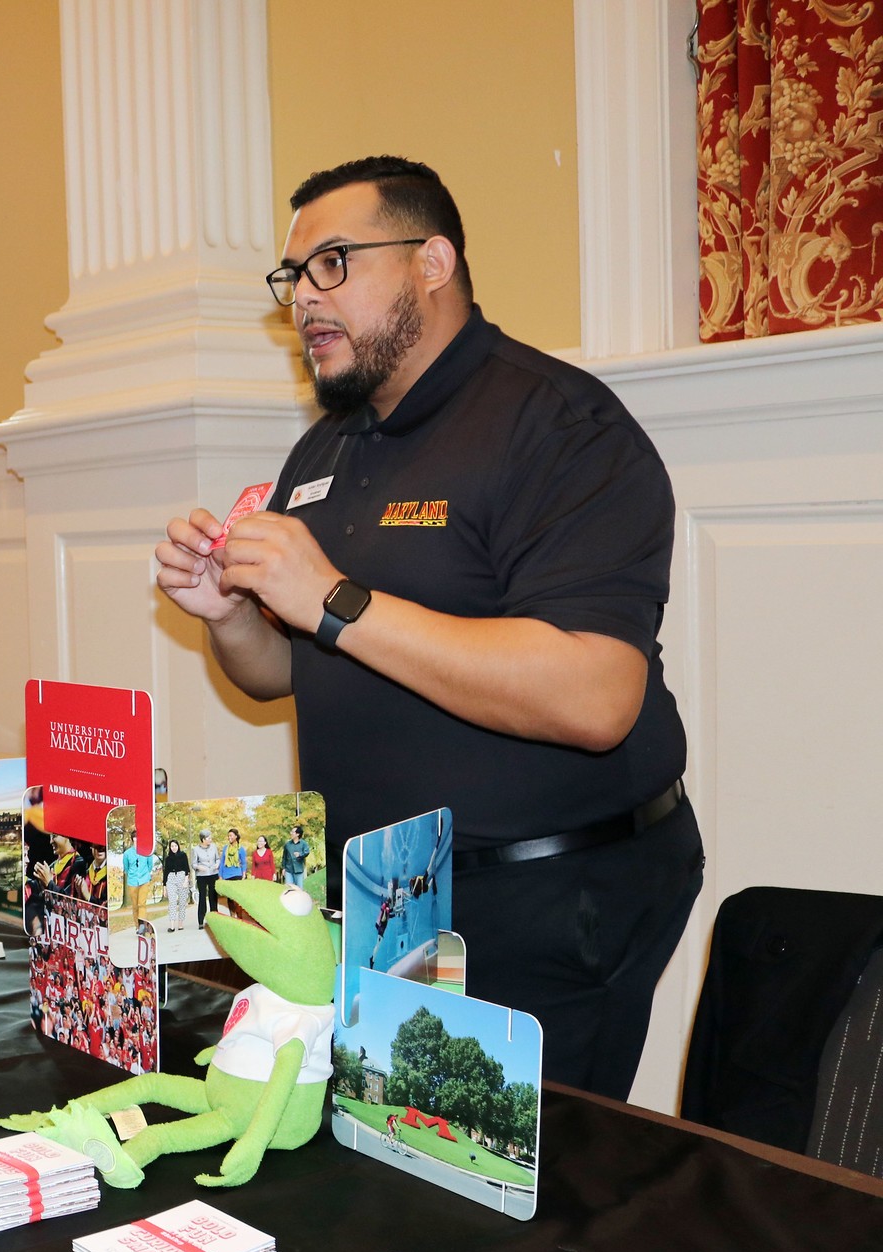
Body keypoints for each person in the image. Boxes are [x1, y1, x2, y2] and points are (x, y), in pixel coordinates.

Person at [153, 155, 700, 1099]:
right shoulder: (327, 446)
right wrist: (229, 614)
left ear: (432, 261)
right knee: (398, 1209)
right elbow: (282, 672)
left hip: (551, 904)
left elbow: (597, 695)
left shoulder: (562, 428)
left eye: (333, 263)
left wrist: (332, 597)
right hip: (385, 900)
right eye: (293, 278)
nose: (304, 301)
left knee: (518, 1213)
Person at [120, 829, 157, 922]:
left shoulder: (147, 851)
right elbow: (126, 868)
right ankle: (137, 926)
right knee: (135, 906)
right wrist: (132, 875)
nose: (137, 839)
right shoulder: (127, 853)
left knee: (142, 904)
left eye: (138, 837)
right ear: (132, 839)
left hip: (144, 879)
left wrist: (144, 874)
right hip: (132, 881)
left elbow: (149, 866)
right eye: (135, 837)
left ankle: (142, 925)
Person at [162, 838, 191, 931]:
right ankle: (172, 925)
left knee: (182, 902)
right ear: (170, 848)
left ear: (178, 846)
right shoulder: (168, 858)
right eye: (172, 846)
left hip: (181, 877)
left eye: (175, 846)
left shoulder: (183, 855)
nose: (174, 848)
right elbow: (165, 872)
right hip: (171, 878)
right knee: (172, 902)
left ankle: (180, 923)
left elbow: (187, 869)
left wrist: (186, 880)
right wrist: (164, 887)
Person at [192, 829, 221, 920]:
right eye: (208, 838)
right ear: (203, 839)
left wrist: (217, 864)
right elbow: (193, 864)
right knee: (202, 897)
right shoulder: (196, 849)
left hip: (213, 874)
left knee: (213, 896)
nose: (210, 840)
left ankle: (215, 918)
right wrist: (199, 867)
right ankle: (201, 919)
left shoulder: (214, 847)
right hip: (202, 876)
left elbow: (218, 858)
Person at [281, 823, 311, 889]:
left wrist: (300, 854)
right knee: (289, 888)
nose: (291, 833)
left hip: (299, 870)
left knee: (299, 889)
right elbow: (284, 857)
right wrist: (283, 868)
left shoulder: (303, 844)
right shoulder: (287, 844)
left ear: (297, 834)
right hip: (289, 870)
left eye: (292, 832)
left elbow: (307, 852)